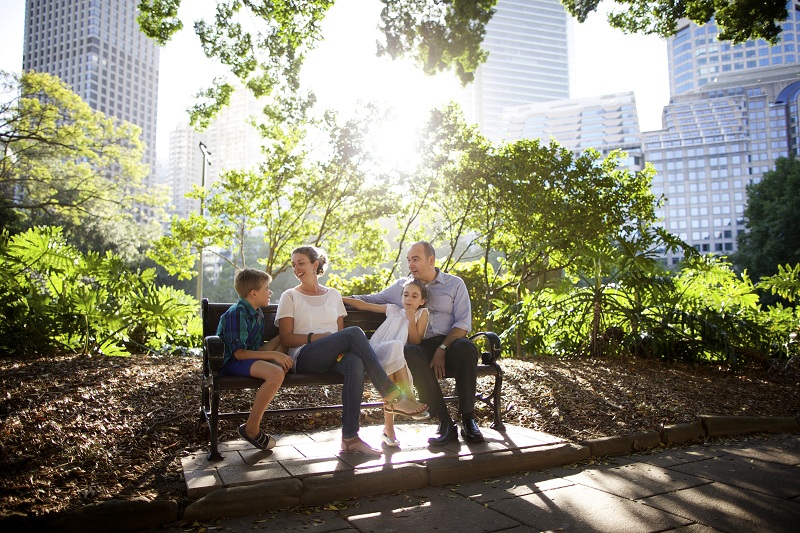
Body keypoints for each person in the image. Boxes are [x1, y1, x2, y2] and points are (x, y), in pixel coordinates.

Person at [276, 245, 427, 456]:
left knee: (355, 362)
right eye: (293, 265)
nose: (296, 268)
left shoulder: (334, 295)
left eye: (301, 263)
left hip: (333, 356)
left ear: (315, 265)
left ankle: (350, 438)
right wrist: (317, 337)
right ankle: (392, 394)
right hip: (305, 355)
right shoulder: (289, 296)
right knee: (354, 332)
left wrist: (334, 343)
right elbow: (286, 338)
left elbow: (340, 336)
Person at [351, 241, 485, 445]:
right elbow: (372, 299)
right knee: (411, 351)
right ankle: (445, 424)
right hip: (421, 345)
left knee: (466, 347)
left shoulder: (454, 284)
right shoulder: (404, 287)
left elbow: (463, 324)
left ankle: (468, 420)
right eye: (408, 260)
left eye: (415, 259)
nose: (410, 264)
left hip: (451, 343)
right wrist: (333, 297)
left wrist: (442, 349)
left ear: (431, 260)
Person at [342, 278, 431, 447]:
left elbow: (415, 340)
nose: (409, 299)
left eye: (414, 296)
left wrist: (411, 319)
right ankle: (409, 397)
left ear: (422, 300)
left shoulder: (422, 313)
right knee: (396, 348)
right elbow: (364, 305)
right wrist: (340, 298)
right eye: (406, 295)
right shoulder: (393, 309)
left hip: (395, 357)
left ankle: (388, 430)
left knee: (394, 371)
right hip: (374, 353)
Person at [217, 268, 293, 451]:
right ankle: (251, 428)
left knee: (283, 344)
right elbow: (239, 354)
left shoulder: (257, 313)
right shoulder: (237, 313)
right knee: (275, 373)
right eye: (267, 288)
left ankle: (274, 371)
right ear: (253, 293)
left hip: (246, 358)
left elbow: (258, 350)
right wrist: (275, 356)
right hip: (230, 363)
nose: (270, 292)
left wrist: (282, 339)